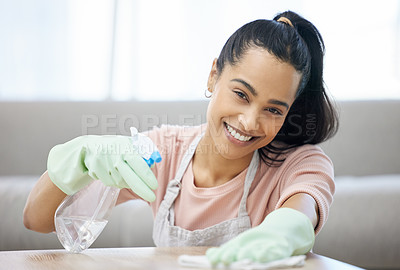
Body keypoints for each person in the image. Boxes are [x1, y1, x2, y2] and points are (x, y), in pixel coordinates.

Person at [23, 10, 338, 265]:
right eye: (241, 94)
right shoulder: (162, 153)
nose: (250, 121)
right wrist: (75, 158)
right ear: (214, 75)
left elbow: (301, 214)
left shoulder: (301, 164)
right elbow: (37, 220)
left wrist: (284, 232)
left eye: (273, 110)